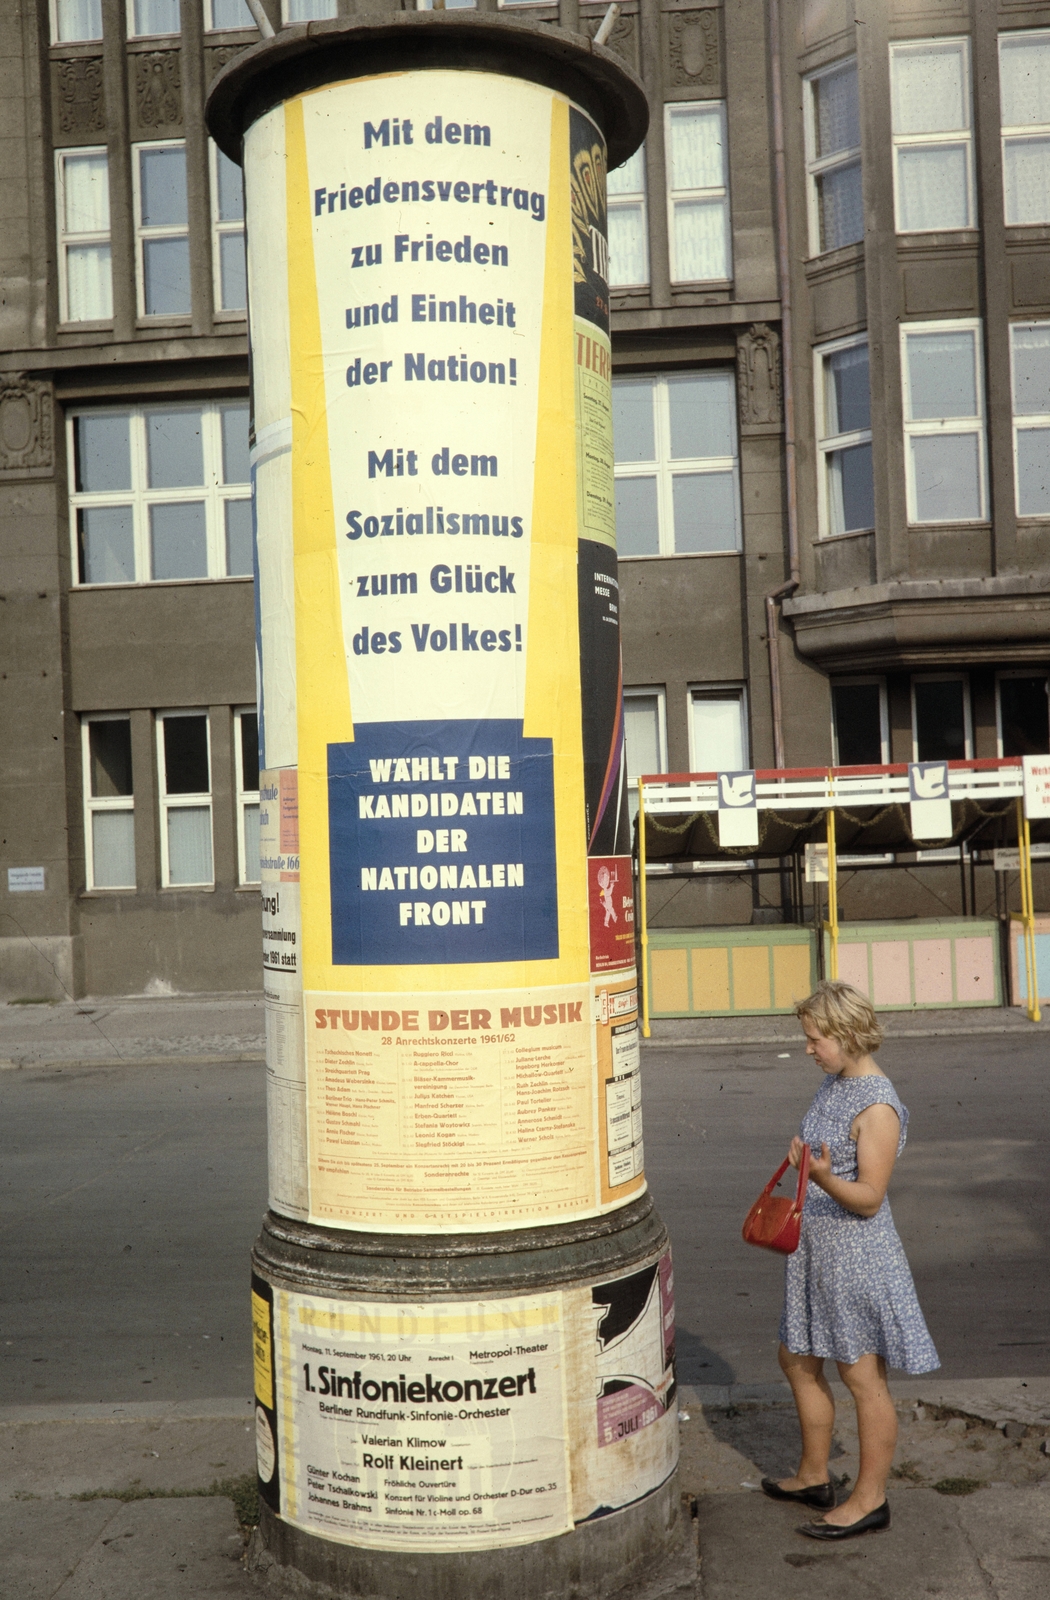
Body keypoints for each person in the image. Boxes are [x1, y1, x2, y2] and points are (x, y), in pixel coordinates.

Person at [760, 980, 939, 1542]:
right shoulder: (834, 1084)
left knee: (862, 1377)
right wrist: (806, 1159)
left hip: (857, 1257)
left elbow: (869, 1197)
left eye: (815, 1039)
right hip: (818, 1252)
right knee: (798, 1357)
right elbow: (826, 1155)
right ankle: (815, 1475)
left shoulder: (878, 1105)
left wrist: (822, 1176)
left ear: (846, 1034)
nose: (808, 1048)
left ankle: (870, 1499)